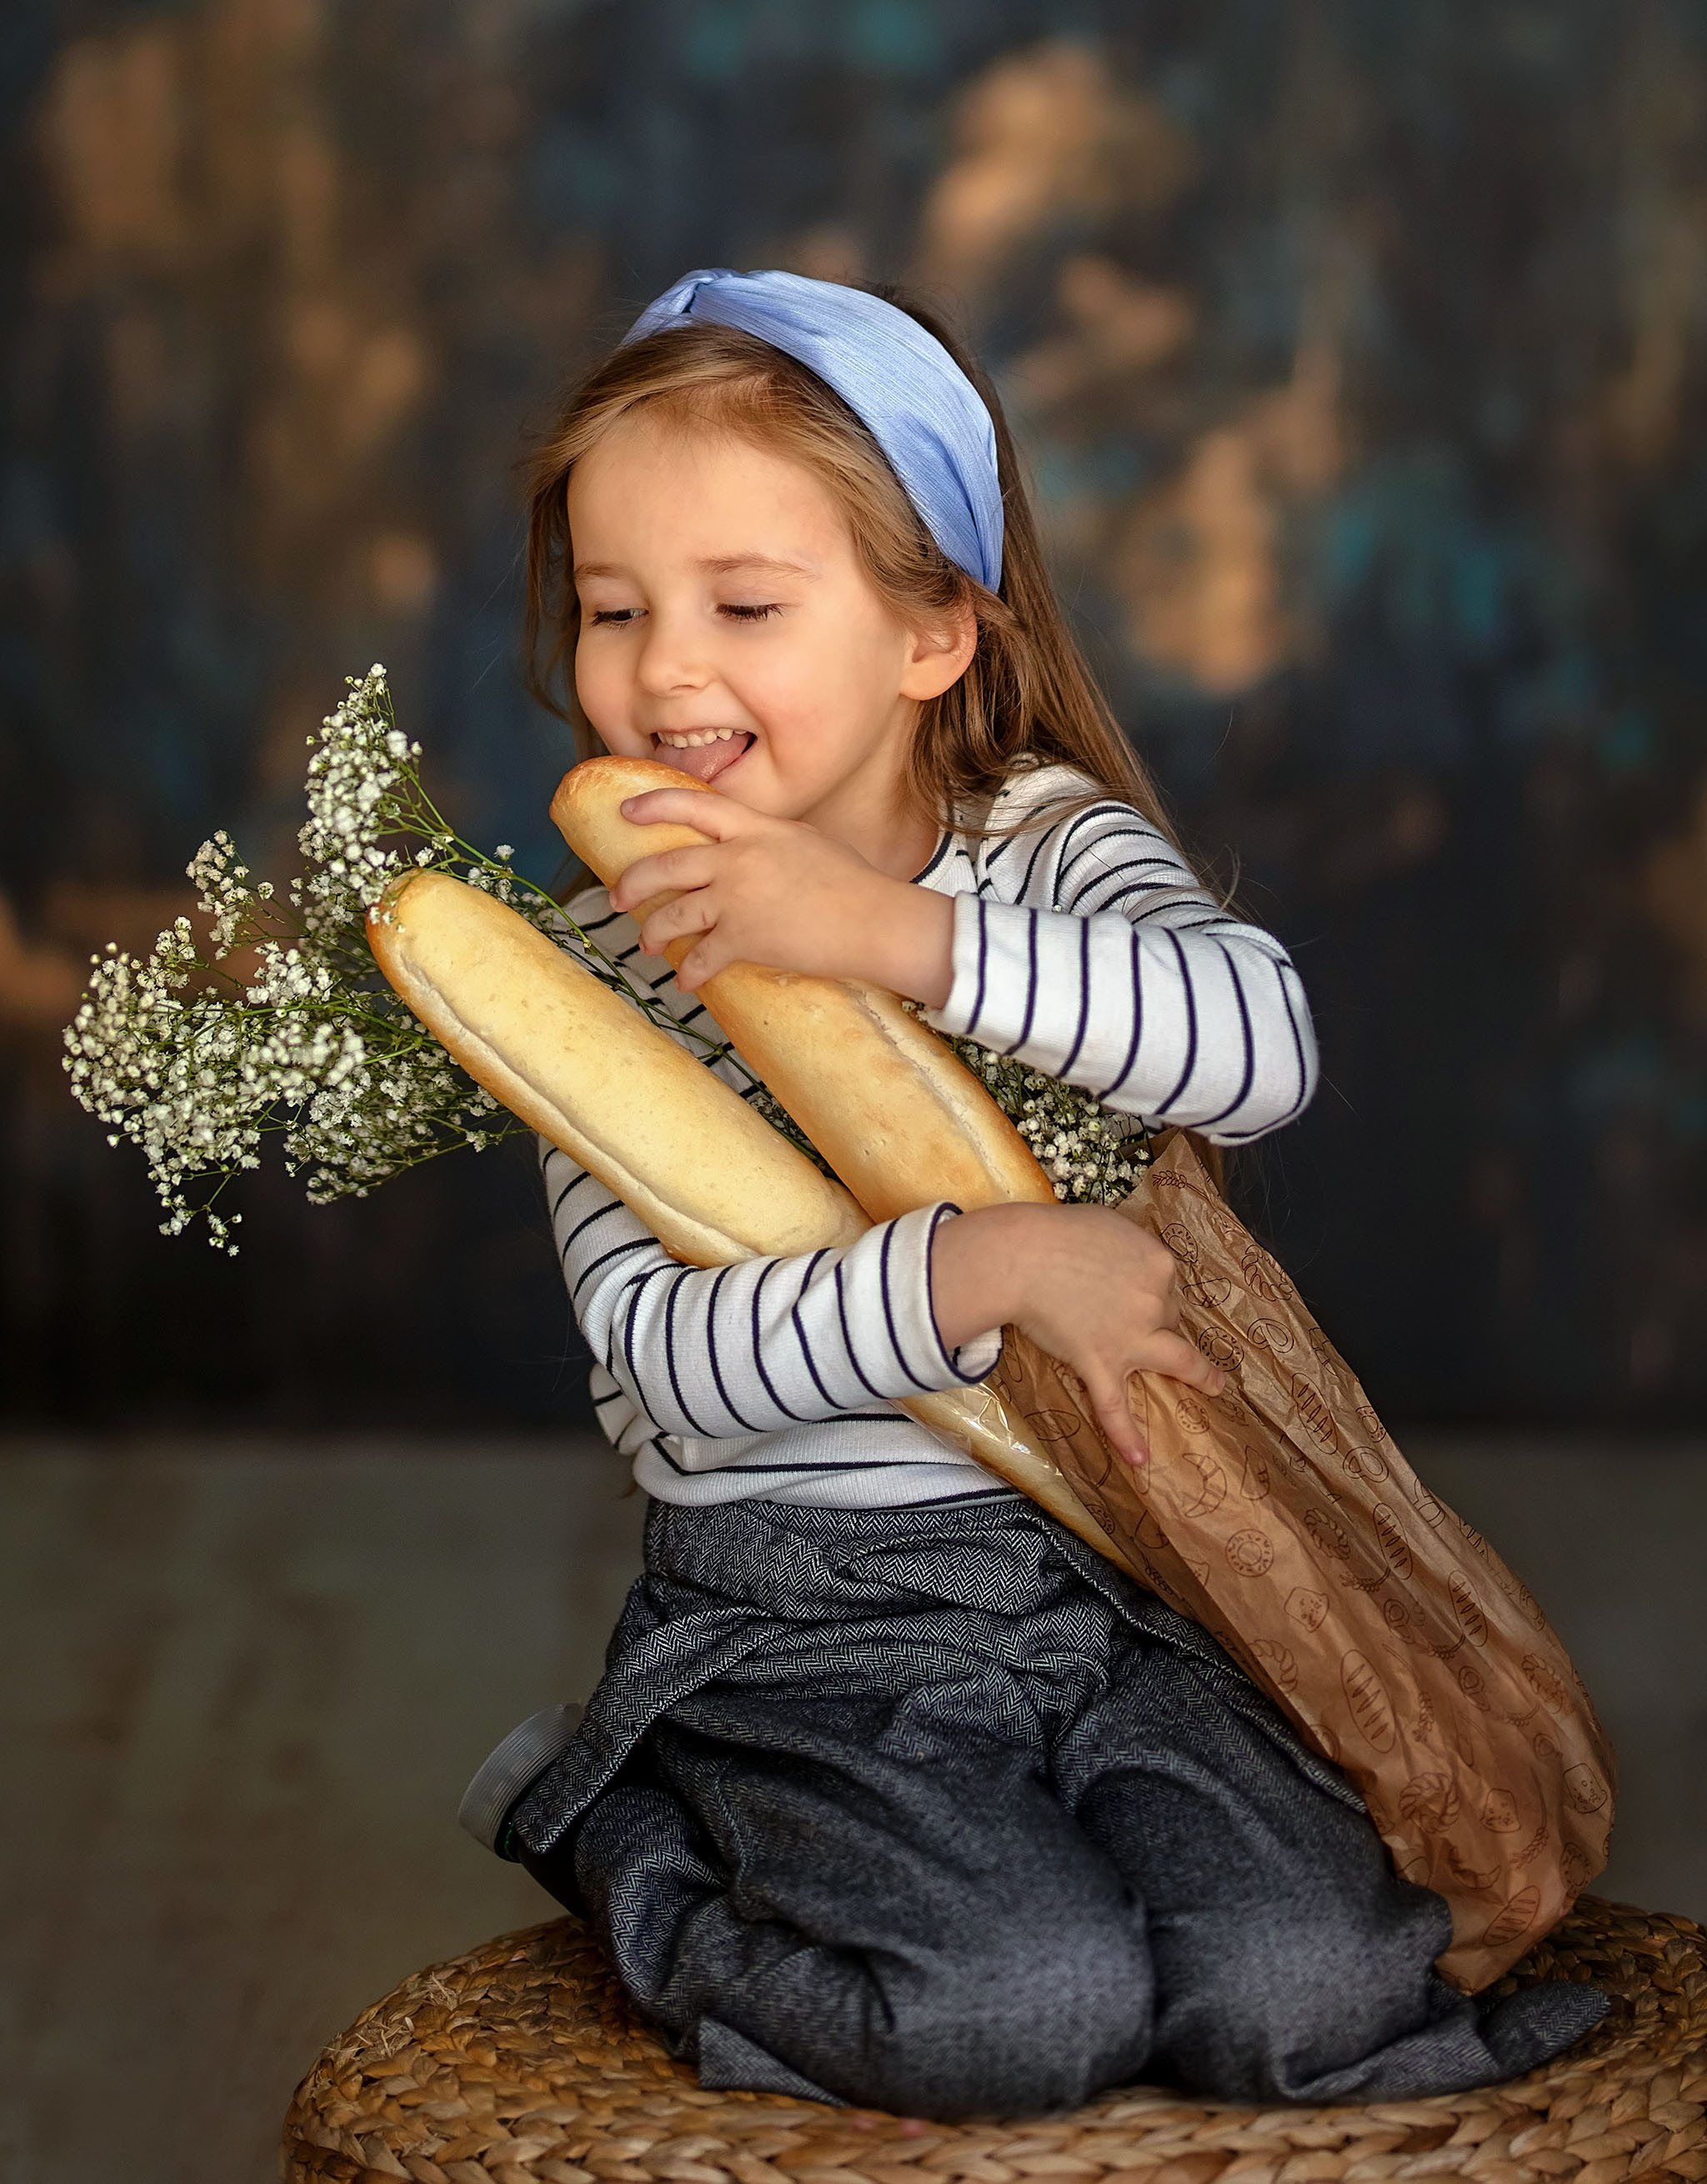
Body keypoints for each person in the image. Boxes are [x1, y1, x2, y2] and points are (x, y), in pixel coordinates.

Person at [458, 269, 1605, 2117]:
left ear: (935, 634)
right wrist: (976, 1269)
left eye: (745, 603)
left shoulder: (1042, 844)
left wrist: (896, 934)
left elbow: (1258, 1049)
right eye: (612, 609)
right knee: (1016, 2012)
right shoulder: (592, 963)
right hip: (807, 1622)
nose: (663, 667)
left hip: (1129, 1577)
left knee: (1308, 1980)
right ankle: (623, 1832)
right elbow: (662, 1367)